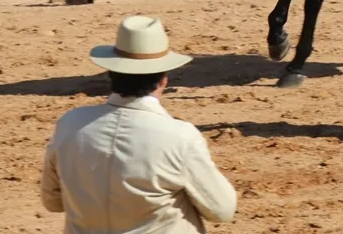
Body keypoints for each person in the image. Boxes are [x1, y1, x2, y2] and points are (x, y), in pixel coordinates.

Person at [40, 15, 238, 234]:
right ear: (164, 79)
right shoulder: (180, 138)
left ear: (110, 74)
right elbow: (222, 210)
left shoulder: (70, 124)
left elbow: (52, 201)